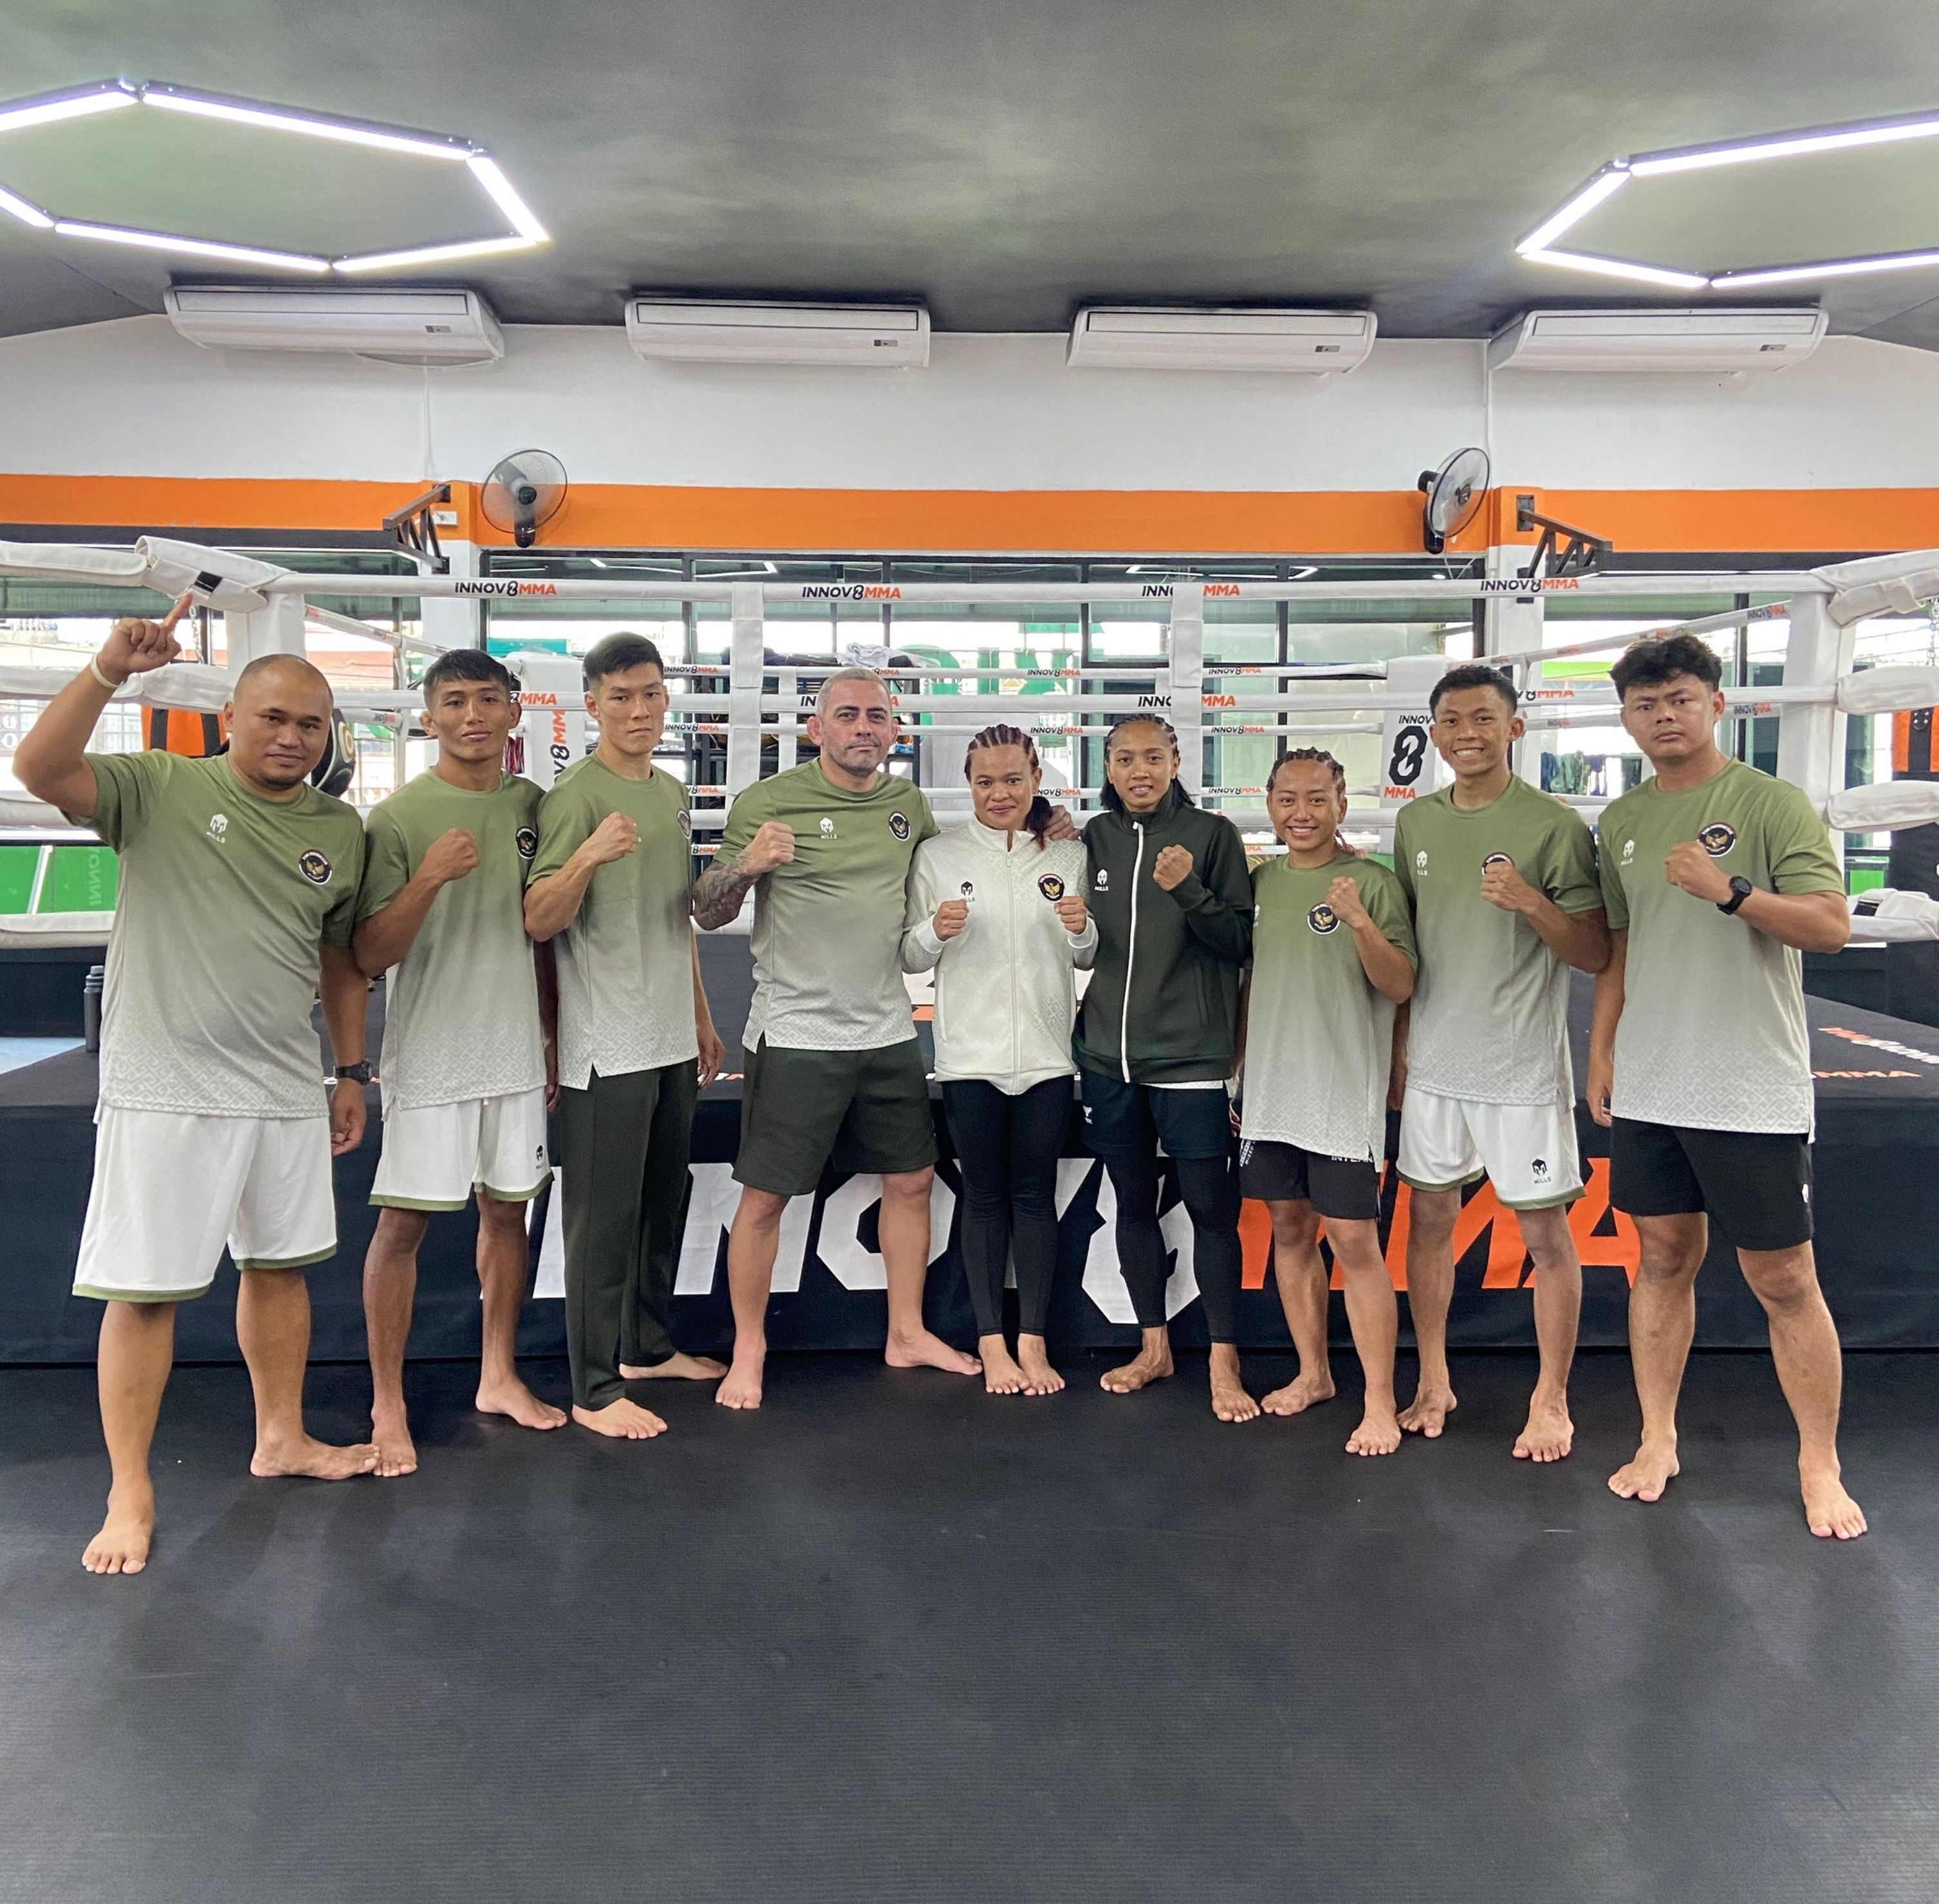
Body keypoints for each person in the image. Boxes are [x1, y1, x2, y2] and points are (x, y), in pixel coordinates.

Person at [14, 598, 376, 1575]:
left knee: (281, 1268)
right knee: (143, 1293)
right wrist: (106, 670)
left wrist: (349, 1071)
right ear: (230, 719)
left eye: (311, 724)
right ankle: (128, 1488)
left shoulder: (338, 829)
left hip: (283, 1082)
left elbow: (341, 958)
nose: (292, 736)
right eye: (273, 717)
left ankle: (282, 1435)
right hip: (165, 1085)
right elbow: (39, 769)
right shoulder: (159, 785)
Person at [1586, 633, 1865, 1539]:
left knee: (1783, 1276)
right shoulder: (1621, 820)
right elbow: (1620, 947)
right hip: (1652, 1080)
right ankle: (1657, 1437)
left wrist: (1731, 891)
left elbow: (1830, 927)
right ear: (1627, 719)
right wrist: (1601, 1050)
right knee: (1662, 1259)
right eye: (1645, 703)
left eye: (1679, 697)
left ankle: (1818, 1461)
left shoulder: (1768, 801)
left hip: (1748, 1083)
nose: (1663, 715)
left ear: (1715, 703)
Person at [694, 666, 981, 1409]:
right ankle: (748, 1349)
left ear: (894, 730)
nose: (863, 728)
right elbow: (706, 910)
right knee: (765, 1197)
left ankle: (906, 1331)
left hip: (886, 1027)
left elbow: (960, 860)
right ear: (814, 728)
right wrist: (749, 864)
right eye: (847, 715)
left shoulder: (906, 804)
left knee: (911, 1179)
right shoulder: (768, 801)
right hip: (796, 1031)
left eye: (876, 716)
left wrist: (1048, 828)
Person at [353, 649, 565, 1477]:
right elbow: (369, 952)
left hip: (513, 1049)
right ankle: (387, 1402)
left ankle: (498, 1373)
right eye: (453, 701)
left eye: (486, 698)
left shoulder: (533, 804)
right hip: (432, 1052)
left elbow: (544, 932)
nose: (472, 715)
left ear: (514, 711)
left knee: (507, 1214)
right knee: (403, 1225)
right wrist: (430, 878)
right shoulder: (398, 818)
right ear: (428, 716)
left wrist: (551, 1031)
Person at [1391, 664, 1610, 1461]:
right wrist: (1398, 1049)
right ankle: (1434, 1379)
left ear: (1515, 727)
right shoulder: (1415, 822)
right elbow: (1407, 945)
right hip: (1435, 1066)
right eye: (1451, 720)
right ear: (1434, 734)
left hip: (1520, 1069)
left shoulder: (1553, 825)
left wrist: (1531, 902)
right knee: (1427, 1223)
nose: (1467, 734)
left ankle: (1551, 1399)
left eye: (1483, 717)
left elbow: (1593, 950)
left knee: (1545, 1235)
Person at [525, 633, 727, 1441]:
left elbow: (676, 917)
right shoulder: (573, 797)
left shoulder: (671, 790)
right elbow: (538, 918)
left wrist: (701, 1016)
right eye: (620, 697)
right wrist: (586, 857)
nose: (638, 710)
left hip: (670, 1035)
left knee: (659, 1207)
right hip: (606, 1044)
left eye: (649, 694)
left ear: (666, 697)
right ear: (592, 704)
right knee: (601, 1222)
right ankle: (594, 1385)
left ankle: (646, 1347)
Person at [900, 724, 1096, 1396]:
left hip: (1046, 1056)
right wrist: (933, 932)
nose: (1000, 792)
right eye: (985, 781)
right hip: (968, 1058)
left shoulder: (1066, 853)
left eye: (1013, 779)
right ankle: (991, 1341)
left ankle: (1033, 1341)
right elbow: (908, 956)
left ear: (1036, 778)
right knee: (982, 1198)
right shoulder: (938, 855)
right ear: (968, 783)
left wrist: (1082, 929)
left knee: (1035, 1198)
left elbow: (1088, 952)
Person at [1075, 714, 1256, 1420]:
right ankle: (1153, 1346)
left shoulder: (1212, 836)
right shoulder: (1092, 836)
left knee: (1211, 1211)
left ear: (1176, 762)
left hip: (1190, 1059)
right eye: (1124, 758)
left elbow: (1240, 940)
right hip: (1108, 1057)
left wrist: (1189, 890)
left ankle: (1223, 1359)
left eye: (1153, 757)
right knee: (1131, 1203)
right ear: (1109, 768)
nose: (1139, 770)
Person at [1239, 750, 1416, 1454]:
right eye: (1287, 799)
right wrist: (1237, 1070)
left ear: (1342, 803)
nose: (1302, 813)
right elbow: (1250, 981)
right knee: (1289, 1229)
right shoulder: (1261, 882)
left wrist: (1360, 923)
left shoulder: (1372, 883)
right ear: (1269, 803)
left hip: (1341, 1092)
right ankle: (1313, 1373)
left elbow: (1400, 984)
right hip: (1271, 1091)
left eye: (1317, 798)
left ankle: (1379, 1401)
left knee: (1353, 1242)